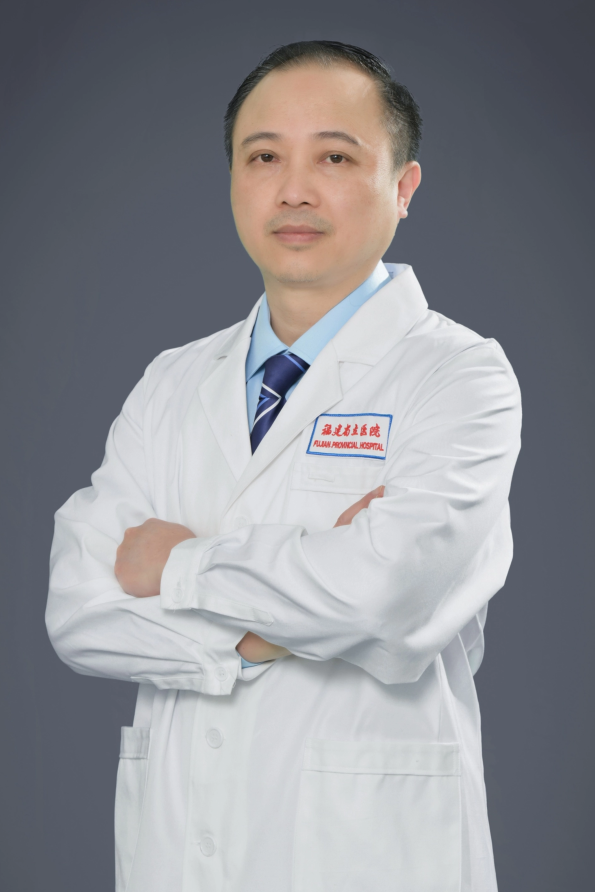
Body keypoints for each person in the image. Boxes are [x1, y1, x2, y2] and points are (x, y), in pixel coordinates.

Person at [46, 40, 521, 892]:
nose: (293, 189)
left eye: (335, 157)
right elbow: (79, 606)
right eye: (263, 157)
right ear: (233, 177)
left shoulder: (459, 377)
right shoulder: (171, 381)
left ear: (403, 186)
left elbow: (388, 594)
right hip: (176, 849)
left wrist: (179, 566)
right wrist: (273, 630)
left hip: (367, 853)